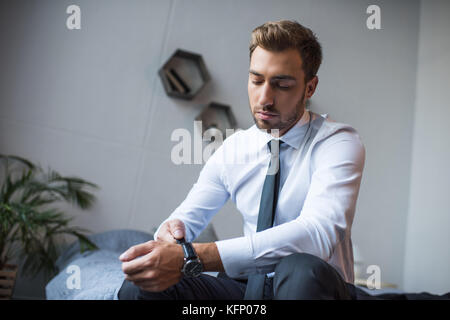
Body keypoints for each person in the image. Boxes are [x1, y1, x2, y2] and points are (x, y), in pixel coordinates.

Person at [117, 20, 448, 300]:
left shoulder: (338, 142)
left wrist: (195, 256)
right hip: (247, 294)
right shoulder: (232, 151)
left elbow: (316, 236)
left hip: (314, 287)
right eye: (256, 80)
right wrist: (170, 238)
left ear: (309, 87)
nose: (264, 98)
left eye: (282, 84)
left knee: (298, 269)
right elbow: (184, 219)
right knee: (138, 289)